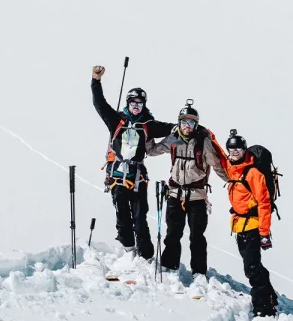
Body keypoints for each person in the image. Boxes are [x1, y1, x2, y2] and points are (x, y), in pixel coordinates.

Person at [91, 65, 172, 260]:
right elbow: (99, 104)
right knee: (122, 217)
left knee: (140, 217)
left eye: (140, 103)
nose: (136, 106)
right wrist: (96, 80)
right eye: (133, 102)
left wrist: (188, 124)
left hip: (137, 177)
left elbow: (171, 128)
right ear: (128, 103)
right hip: (117, 175)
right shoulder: (116, 120)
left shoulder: (148, 125)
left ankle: (145, 255)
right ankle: (128, 249)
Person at [146, 100, 227, 279]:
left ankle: (198, 272)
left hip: (197, 196)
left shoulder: (202, 141)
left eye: (191, 122)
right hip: (175, 193)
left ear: (195, 124)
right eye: (184, 121)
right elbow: (152, 151)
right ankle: (169, 266)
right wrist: (147, 132)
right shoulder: (174, 138)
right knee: (173, 233)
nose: (187, 126)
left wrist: (231, 181)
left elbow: (216, 164)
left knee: (197, 236)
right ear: (179, 122)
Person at [223, 129, 278, 319]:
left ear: (245, 150)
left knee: (251, 268)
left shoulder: (253, 172)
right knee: (254, 265)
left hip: (254, 225)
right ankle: (270, 295)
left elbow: (264, 202)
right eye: (231, 149)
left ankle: (264, 309)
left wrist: (264, 233)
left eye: (238, 149)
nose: (235, 152)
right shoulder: (231, 167)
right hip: (239, 224)